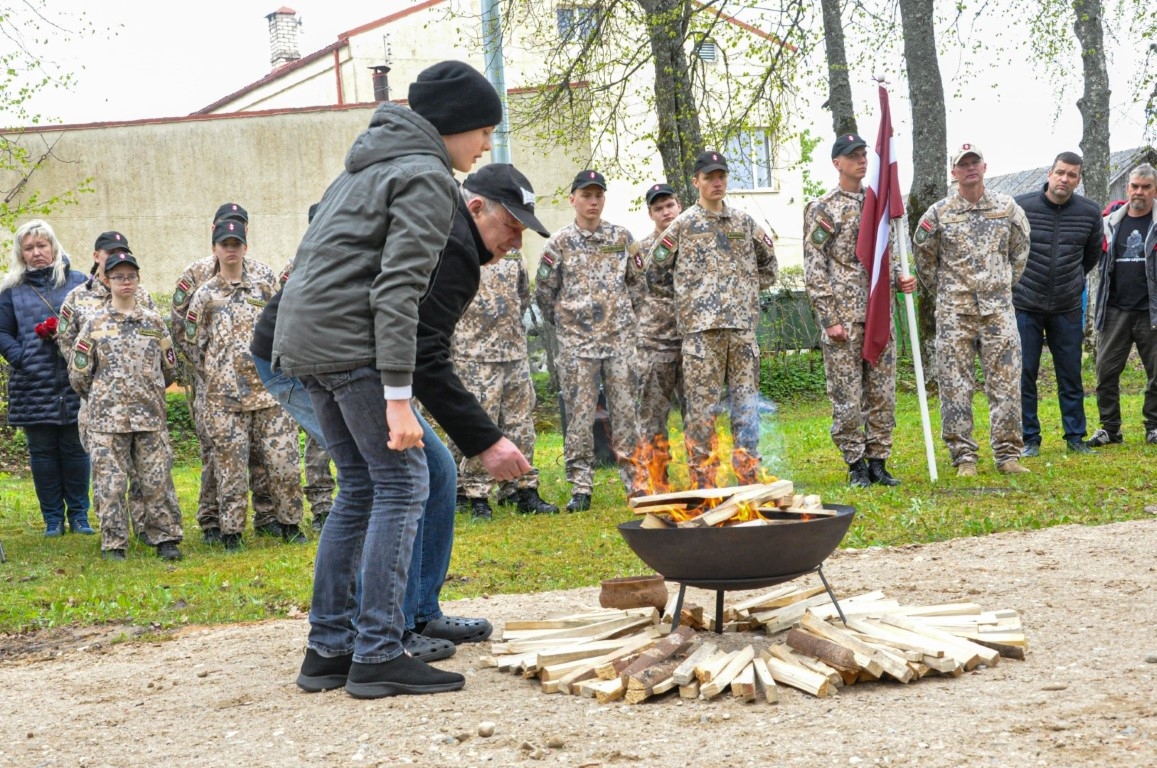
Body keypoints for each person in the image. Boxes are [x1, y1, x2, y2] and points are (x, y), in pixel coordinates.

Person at [273, 60, 502, 699]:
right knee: (404, 482)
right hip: (351, 347)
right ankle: (377, 652)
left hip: (304, 341)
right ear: (453, 125)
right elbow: (397, 290)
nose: (485, 145)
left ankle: (328, 650)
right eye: (483, 130)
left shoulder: (368, 165)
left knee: (360, 490)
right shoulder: (426, 175)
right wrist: (399, 400)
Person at [648, 151, 778, 489]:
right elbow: (655, 272)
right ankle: (703, 481)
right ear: (696, 182)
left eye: (721, 175)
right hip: (702, 335)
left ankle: (749, 476)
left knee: (746, 407)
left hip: (741, 332)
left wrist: (743, 292)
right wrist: (688, 301)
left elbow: (769, 265)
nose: (716, 182)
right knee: (702, 412)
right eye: (709, 177)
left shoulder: (744, 223)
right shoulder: (683, 225)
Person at [803, 134, 918, 487]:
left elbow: (887, 253)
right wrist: (829, 318)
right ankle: (855, 464)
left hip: (879, 313)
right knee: (847, 396)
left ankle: (878, 460)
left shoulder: (878, 202)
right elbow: (814, 266)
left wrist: (900, 277)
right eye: (852, 156)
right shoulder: (823, 207)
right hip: (845, 318)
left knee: (882, 392)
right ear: (837, 163)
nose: (861, 161)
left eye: (864, 154)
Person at [184, 219, 305, 550]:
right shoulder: (205, 296)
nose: (231, 249)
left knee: (284, 464)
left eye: (236, 243)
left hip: (269, 393)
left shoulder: (265, 285)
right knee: (230, 471)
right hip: (225, 401)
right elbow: (193, 345)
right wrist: (217, 374)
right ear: (215, 249)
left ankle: (290, 523)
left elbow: (283, 327)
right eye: (225, 244)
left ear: (245, 247)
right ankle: (231, 532)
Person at [912, 144, 1032, 476]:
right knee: (955, 385)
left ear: (984, 166)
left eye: (974, 162)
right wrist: (948, 292)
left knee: (1006, 384)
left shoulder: (1007, 208)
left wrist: (1002, 285)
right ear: (954, 172)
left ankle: (1008, 455)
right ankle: (964, 456)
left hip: (998, 312)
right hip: (955, 314)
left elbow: (1020, 251)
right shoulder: (937, 214)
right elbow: (924, 259)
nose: (970, 169)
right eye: (963, 165)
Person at [535, 169, 644, 511]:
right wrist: (568, 325)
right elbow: (544, 292)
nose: (593, 201)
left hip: (619, 343)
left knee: (626, 414)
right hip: (577, 346)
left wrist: (624, 321)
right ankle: (581, 487)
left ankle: (636, 484)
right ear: (573, 200)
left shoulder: (622, 238)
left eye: (598, 195)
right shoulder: (560, 243)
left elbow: (638, 285)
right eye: (586, 195)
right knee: (580, 418)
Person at [171, 203, 280, 543]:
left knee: (263, 453)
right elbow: (182, 330)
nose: (231, 242)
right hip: (214, 383)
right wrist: (208, 370)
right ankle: (212, 520)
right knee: (217, 455)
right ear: (213, 234)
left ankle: (268, 515)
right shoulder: (195, 276)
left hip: (258, 382)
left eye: (239, 230)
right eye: (225, 231)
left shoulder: (262, 275)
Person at [67, 252, 184, 561]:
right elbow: (79, 374)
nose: (125, 282)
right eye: (118, 276)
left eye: (130, 276)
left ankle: (166, 539)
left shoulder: (153, 321)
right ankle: (114, 542)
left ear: (138, 279)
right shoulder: (95, 323)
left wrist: (150, 392)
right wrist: (104, 397)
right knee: (111, 484)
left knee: (157, 480)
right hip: (108, 420)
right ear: (108, 280)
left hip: (149, 416)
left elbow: (170, 368)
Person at [57, 231, 160, 538]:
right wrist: (97, 385)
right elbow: (68, 345)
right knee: (107, 470)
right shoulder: (77, 297)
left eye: (121, 251)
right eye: (108, 252)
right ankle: (111, 531)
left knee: (144, 470)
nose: (114, 256)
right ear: (96, 256)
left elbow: (159, 354)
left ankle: (145, 527)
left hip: (141, 402)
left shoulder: (142, 297)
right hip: (99, 402)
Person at [0, 220, 93, 537]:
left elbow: (95, 322)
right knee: (42, 453)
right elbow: (2, 332)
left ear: (53, 247)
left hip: (73, 381)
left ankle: (80, 515)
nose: (37, 252)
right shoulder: (10, 290)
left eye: (42, 245)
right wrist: (20, 356)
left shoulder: (79, 282)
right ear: (21, 254)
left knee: (76, 449)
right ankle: (53, 518)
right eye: (29, 248)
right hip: (32, 384)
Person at [451, 247, 557, 518]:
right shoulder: (459, 248)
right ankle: (475, 494)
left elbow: (522, 297)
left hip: (514, 353)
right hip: (474, 354)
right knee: (478, 423)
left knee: (521, 424)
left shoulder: (512, 252)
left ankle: (522, 489)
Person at [1013, 151, 1103, 457]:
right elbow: (1010, 248)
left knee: (1070, 373)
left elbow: (1091, 255)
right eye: (1061, 172)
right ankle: (1029, 439)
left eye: (1072, 175)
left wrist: (1072, 279)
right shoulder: (1022, 206)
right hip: (1025, 303)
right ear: (1050, 173)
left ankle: (1075, 437)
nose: (1065, 179)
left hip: (1066, 306)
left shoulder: (1090, 212)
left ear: (1078, 180)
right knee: (1025, 373)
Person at [1090, 163, 1157, 446]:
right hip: (1115, 309)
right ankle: (1110, 429)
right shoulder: (1110, 221)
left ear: (1154, 190)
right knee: (1105, 370)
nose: (1139, 192)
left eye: (1145, 186)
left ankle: (1153, 426)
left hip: (1151, 311)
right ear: (1127, 188)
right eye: (1134, 186)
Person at [634, 182, 684, 493]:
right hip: (655, 343)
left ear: (679, 206)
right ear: (651, 213)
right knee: (653, 416)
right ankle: (657, 479)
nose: (666, 212)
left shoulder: (696, 242)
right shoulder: (640, 251)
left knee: (699, 415)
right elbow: (632, 292)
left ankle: (701, 476)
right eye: (659, 208)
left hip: (694, 342)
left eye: (670, 205)